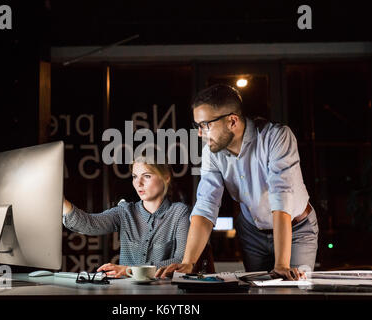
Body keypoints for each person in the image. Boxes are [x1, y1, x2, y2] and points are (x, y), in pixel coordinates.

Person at [156, 84, 319, 280]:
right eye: (197, 126)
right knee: (257, 291)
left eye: (205, 125)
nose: (200, 133)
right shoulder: (211, 152)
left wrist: (281, 264)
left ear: (232, 121)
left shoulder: (276, 137)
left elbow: (281, 198)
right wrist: (188, 262)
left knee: (292, 288)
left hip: (296, 229)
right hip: (252, 232)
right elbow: (206, 204)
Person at [62, 154, 190, 278]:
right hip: (126, 292)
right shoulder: (125, 212)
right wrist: (60, 200)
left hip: (164, 294)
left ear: (166, 177)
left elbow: (180, 261)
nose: (138, 183)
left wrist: (130, 270)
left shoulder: (179, 213)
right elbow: (89, 224)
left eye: (146, 176)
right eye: (134, 176)